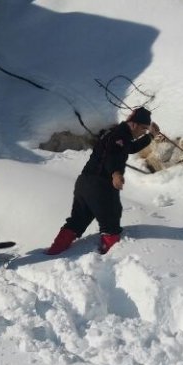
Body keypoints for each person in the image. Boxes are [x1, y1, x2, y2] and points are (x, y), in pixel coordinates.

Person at [45, 107, 160, 256]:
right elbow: (112, 155)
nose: (143, 132)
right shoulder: (119, 135)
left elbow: (130, 148)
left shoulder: (117, 134)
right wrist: (115, 173)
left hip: (84, 183)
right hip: (100, 184)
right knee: (111, 219)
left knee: (78, 219)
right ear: (134, 124)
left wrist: (151, 136)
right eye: (144, 129)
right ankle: (109, 256)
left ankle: (55, 250)